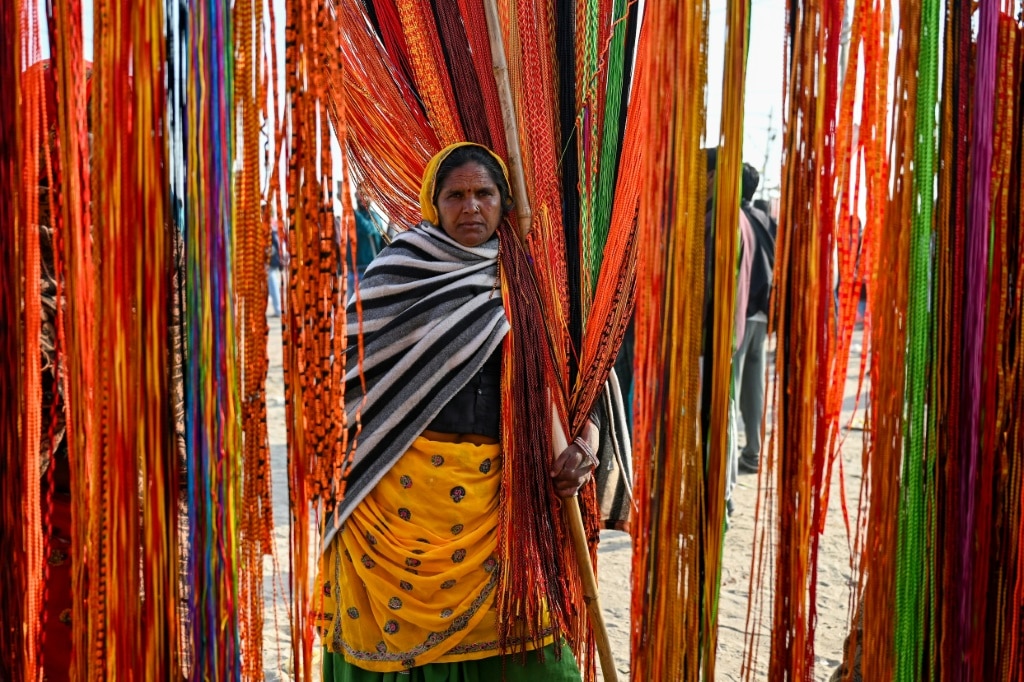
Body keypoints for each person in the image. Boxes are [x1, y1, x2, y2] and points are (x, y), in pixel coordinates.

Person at [314, 142, 605, 680]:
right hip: (395, 506)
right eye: (456, 195)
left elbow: (582, 384)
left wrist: (583, 446)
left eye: (483, 194)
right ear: (433, 203)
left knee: (532, 655)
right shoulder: (395, 274)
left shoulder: (534, 283)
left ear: (504, 201)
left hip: (499, 510)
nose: (471, 207)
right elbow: (339, 385)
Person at [734, 164, 775, 475]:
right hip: (762, 314)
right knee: (754, 387)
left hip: (742, 314)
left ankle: (733, 459)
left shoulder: (737, 218)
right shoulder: (764, 218)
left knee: (732, 389)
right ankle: (753, 451)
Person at [265, 202, 284, 317]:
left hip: (271, 260)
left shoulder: (270, 225)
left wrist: (267, 254)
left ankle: (278, 309)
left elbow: (275, 244)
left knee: (272, 284)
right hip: (272, 259)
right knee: (272, 284)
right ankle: (277, 309)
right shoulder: (273, 224)